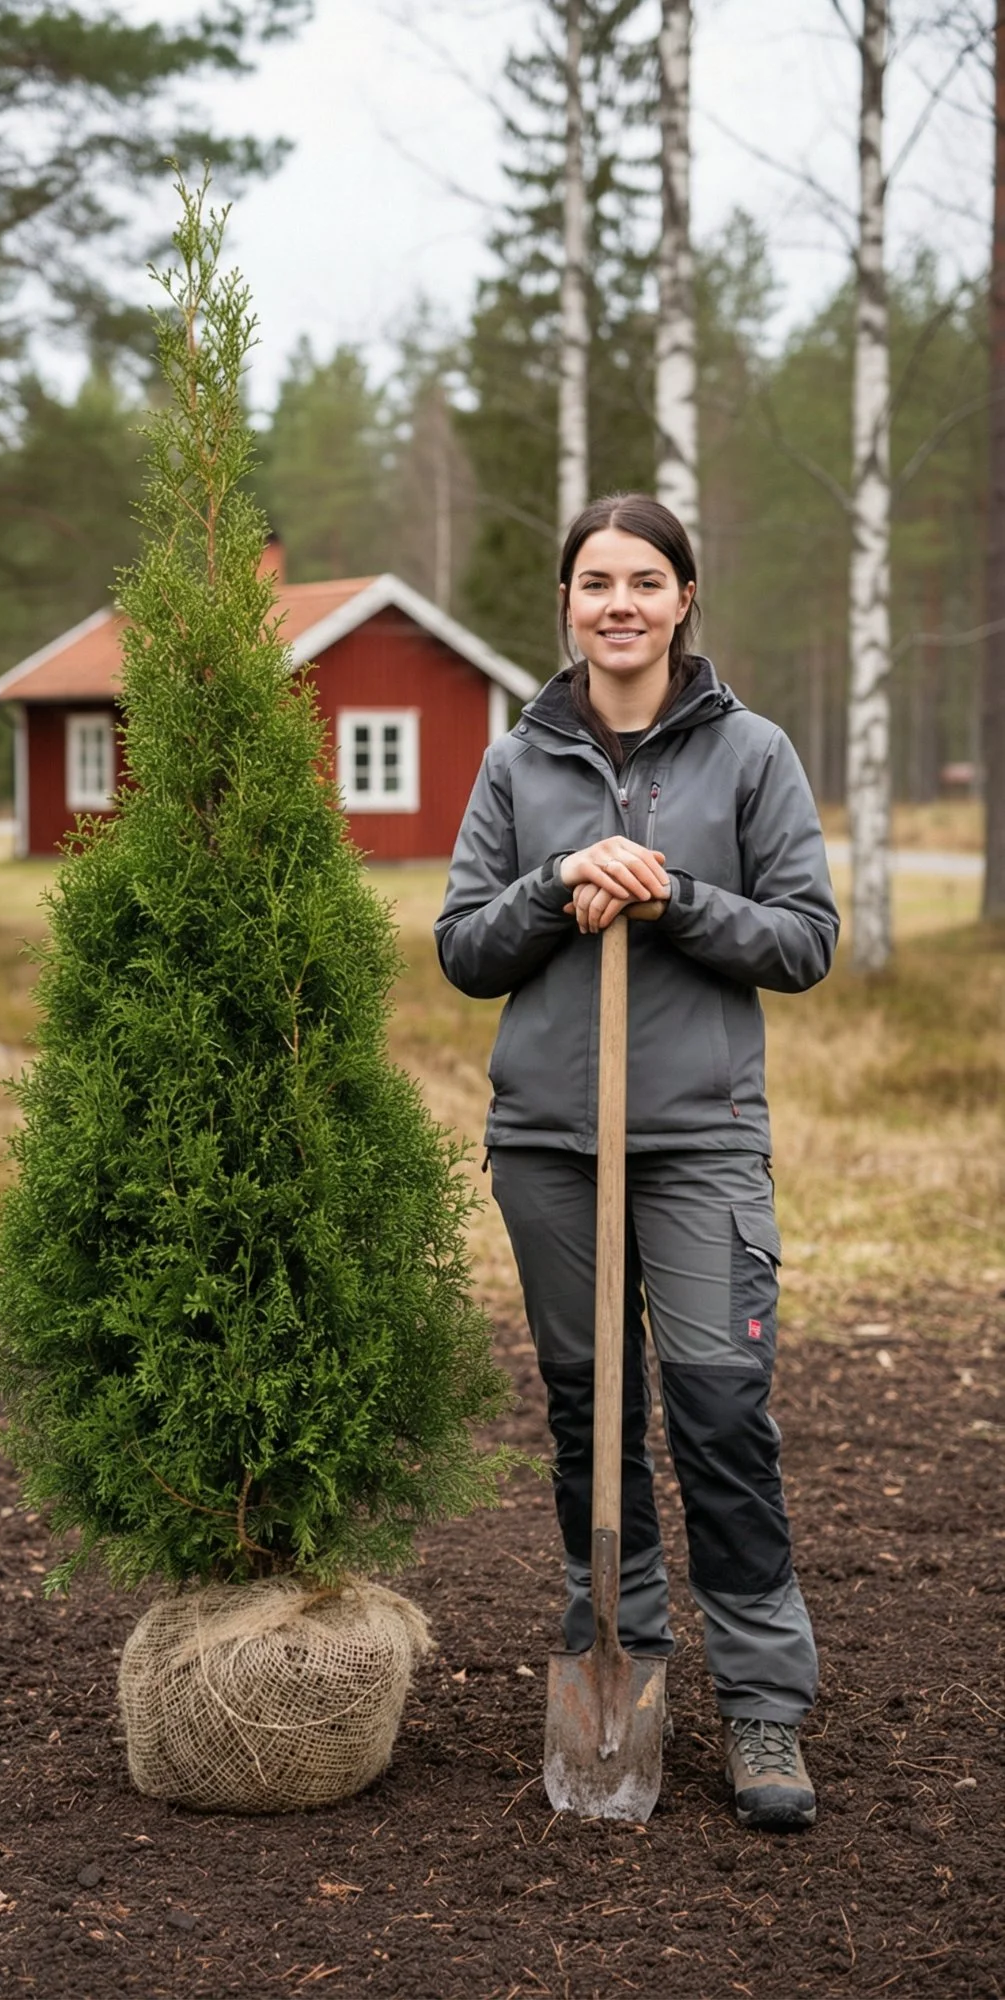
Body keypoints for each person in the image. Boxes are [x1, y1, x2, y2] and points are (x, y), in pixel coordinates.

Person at [435, 492, 839, 1833]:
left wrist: (671, 893)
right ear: (568, 603)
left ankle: (765, 1706)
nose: (619, 604)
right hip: (551, 1144)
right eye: (596, 581)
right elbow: (463, 948)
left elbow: (803, 938)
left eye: (645, 581)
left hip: (701, 1143)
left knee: (721, 1416)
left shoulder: (753, 755)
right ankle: (625, 1656)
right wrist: (558, 886)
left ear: (683, 599)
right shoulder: (517, 762)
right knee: (589, 1422)